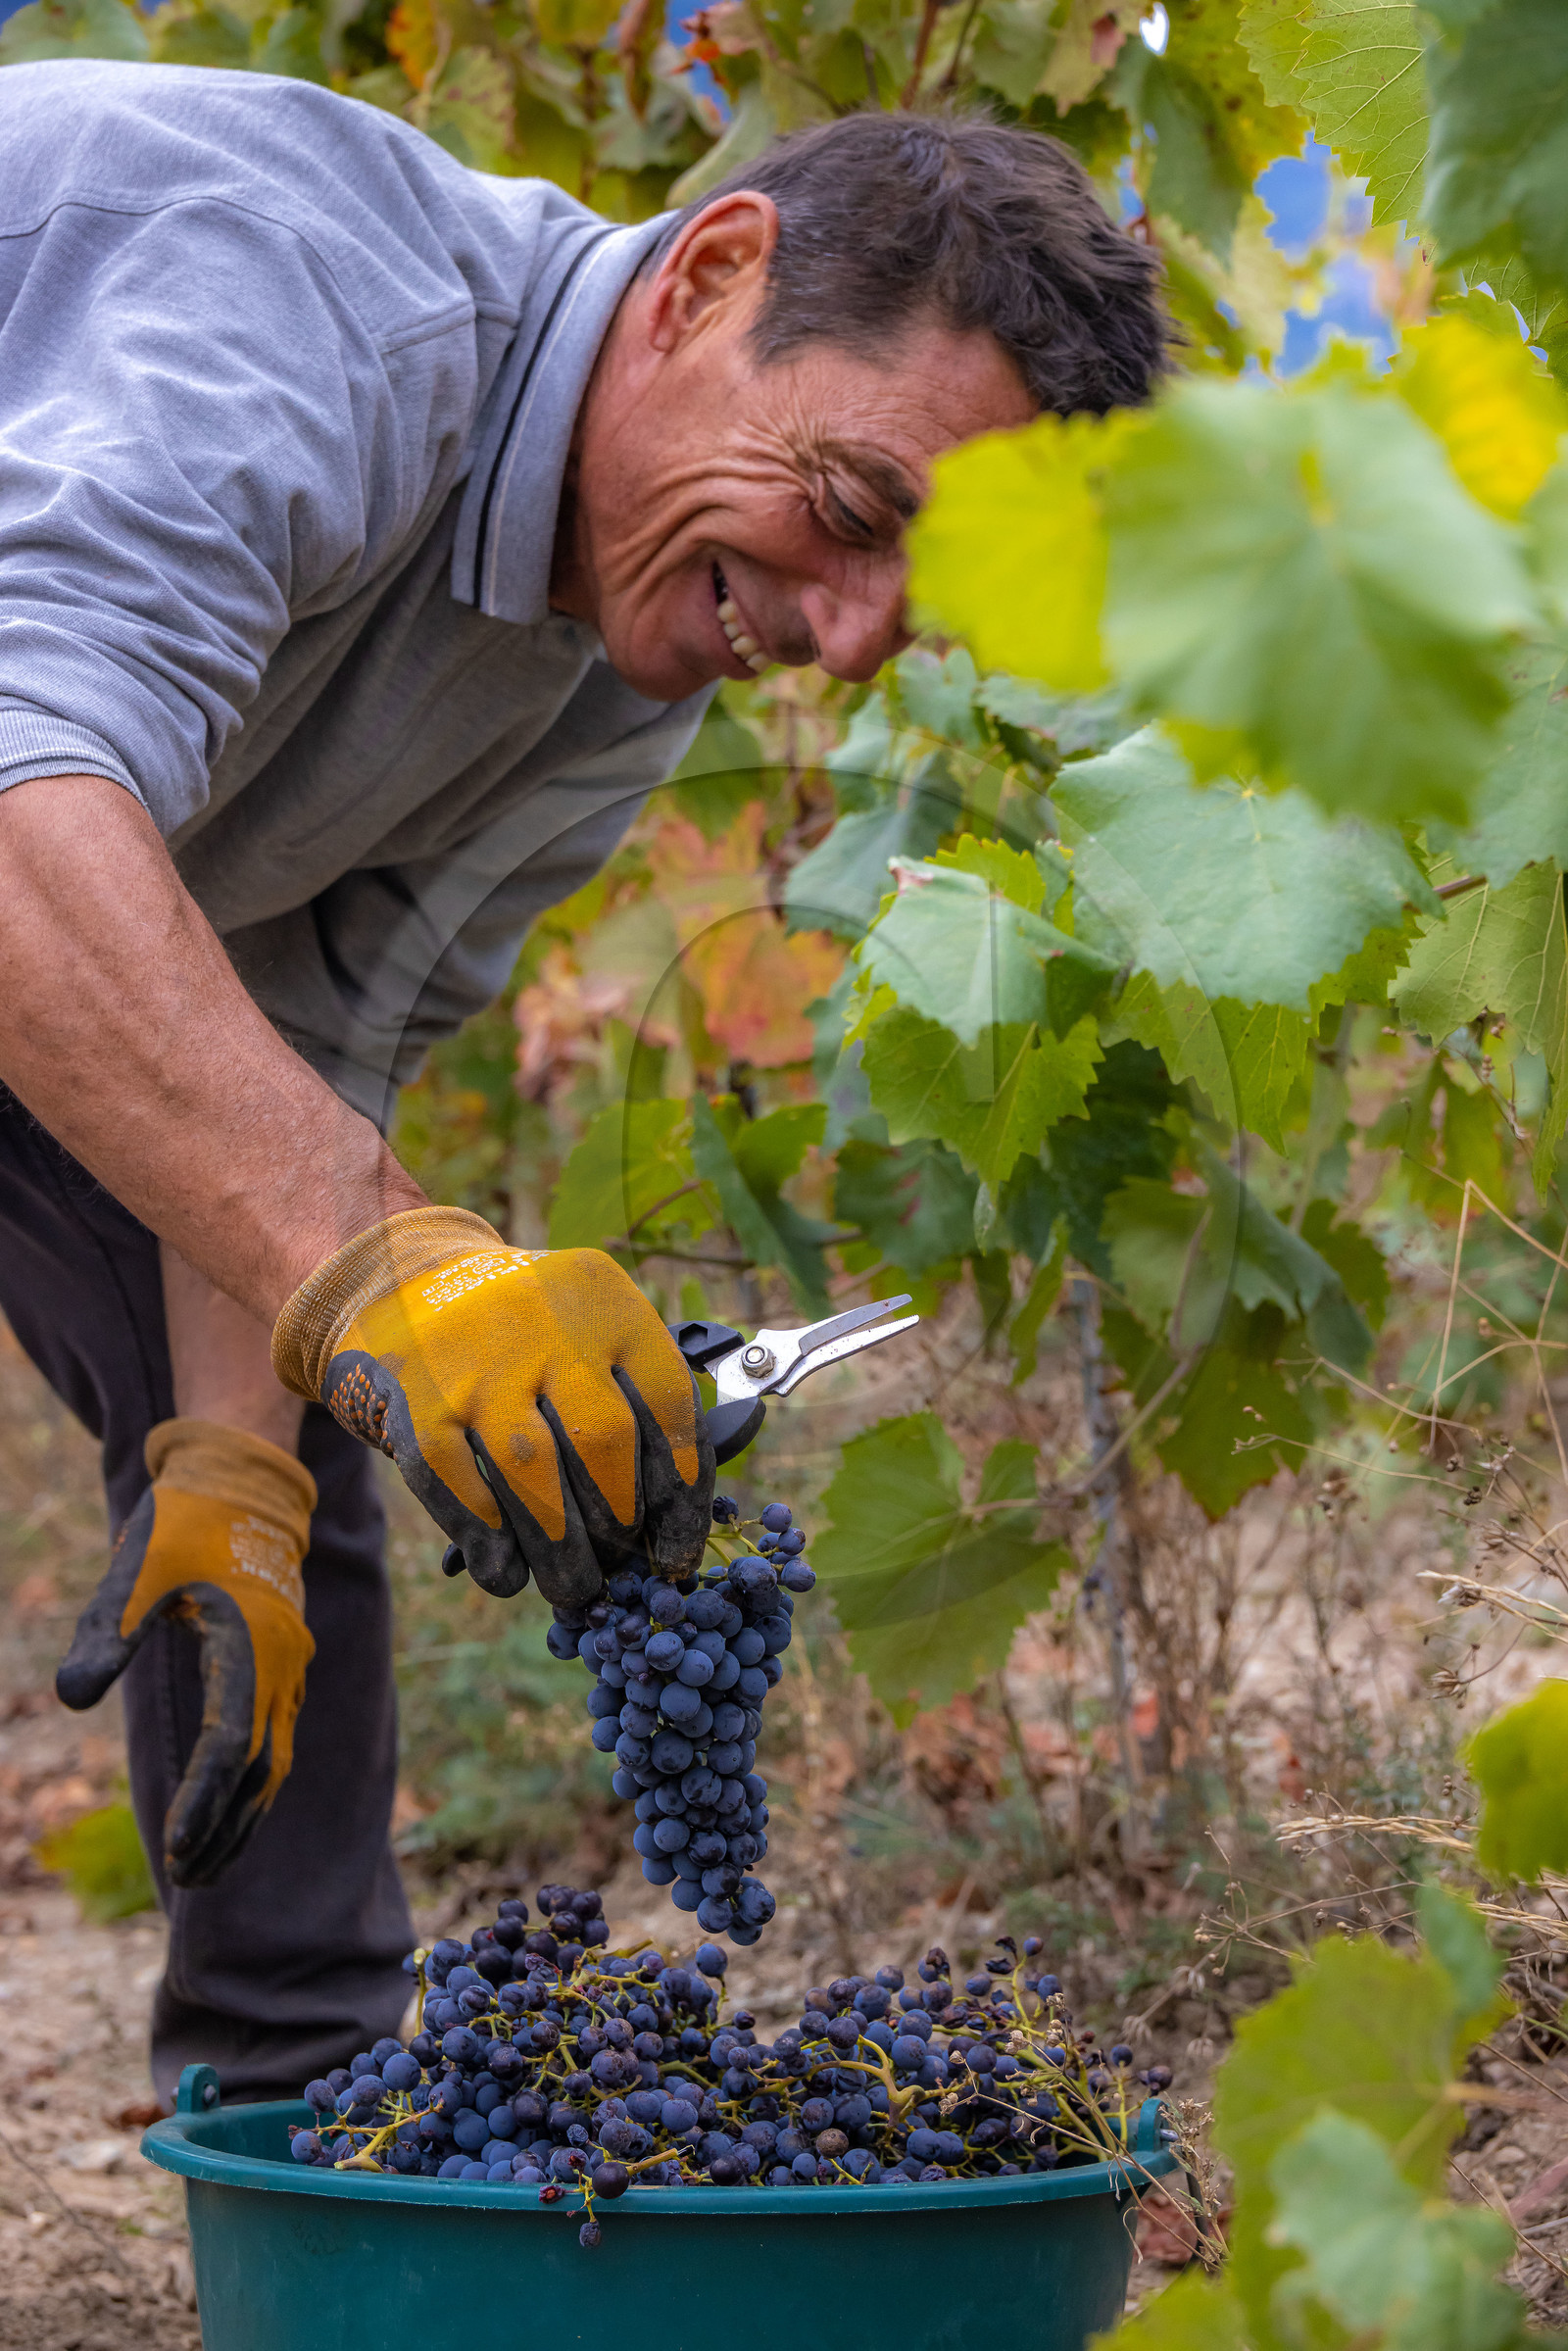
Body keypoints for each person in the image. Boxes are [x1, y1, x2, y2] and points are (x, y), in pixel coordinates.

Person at [0, 59, 1165, 2103]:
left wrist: (244, 1468)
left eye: (924, 606)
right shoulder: (314, 308)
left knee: (291, 1422)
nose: (842, 630)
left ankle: (309, 2141)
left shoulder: (623, 642)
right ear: (713, 273)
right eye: (860, 509)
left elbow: (295, 1044)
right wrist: (383, 1269)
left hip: (60, 884)